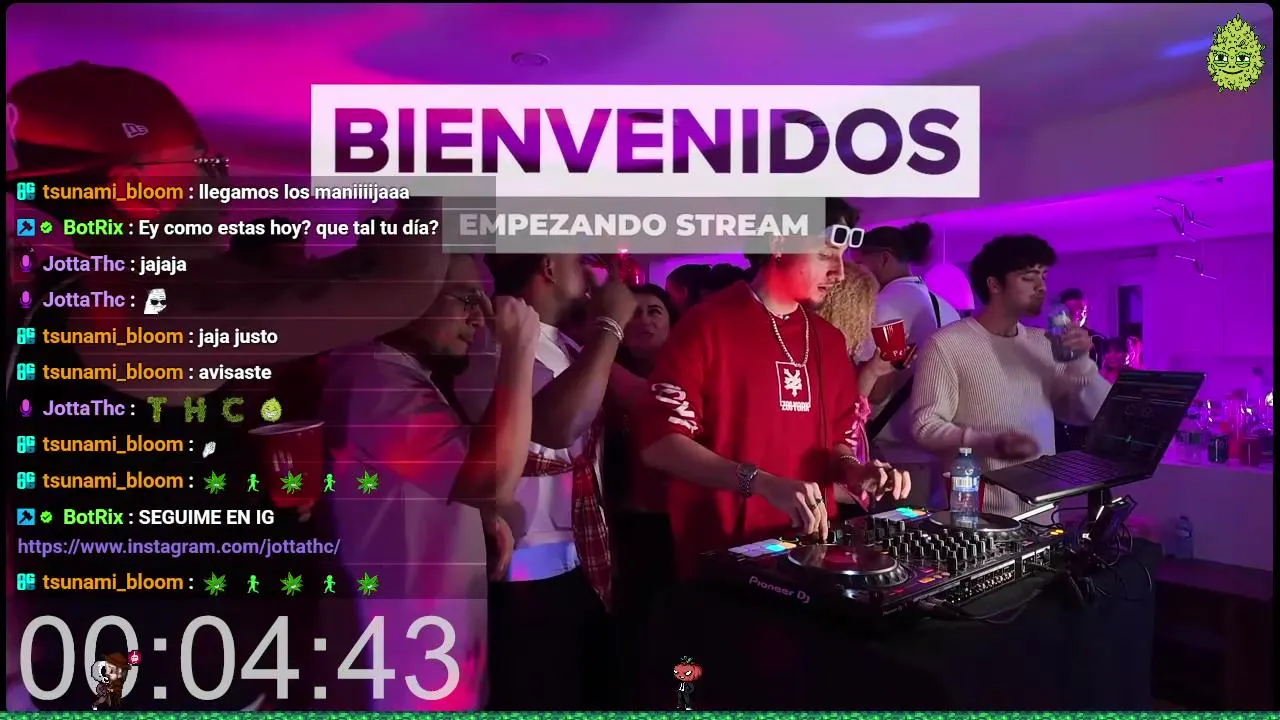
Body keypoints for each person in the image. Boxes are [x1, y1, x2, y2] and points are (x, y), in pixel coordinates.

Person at [6, 62, 448, 711]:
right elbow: (398, 285)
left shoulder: (73, 299)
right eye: (204, 165)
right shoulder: (132, 315)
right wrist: (439, 163)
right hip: (157, 676)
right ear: (136, 191)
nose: (224, 182)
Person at [319, 254, 540, 710]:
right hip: (410, 653)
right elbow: (493, 480)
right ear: (406, 293)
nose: (479, 317)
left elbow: (448, 478)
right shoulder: (375, 377)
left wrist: (478, 512)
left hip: (429, 640)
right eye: (466, 298)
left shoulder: (396, 368)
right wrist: (518, 350)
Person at [635, 229, 912, 578]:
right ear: (780, 245)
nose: (839, 272)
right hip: (723, 557)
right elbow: (659, 445)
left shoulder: (828, 340)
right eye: (825, 254)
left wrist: (856, 471)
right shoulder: (707, 324)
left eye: (842, 257)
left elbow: (836, 443)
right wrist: (761, 482)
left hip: (813, 552)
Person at [456, 253, 636, 709]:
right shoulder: (498, 338)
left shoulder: (565, 343)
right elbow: (560, 425)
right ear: (550, 266)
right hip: (525, 568)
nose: (590, 269)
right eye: (579, 257)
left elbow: (639, 396)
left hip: (577, 556)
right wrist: (610, 325)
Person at [910, 234, 1112, 516]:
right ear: (995, 285)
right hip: (979, 519)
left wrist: (1080, 361)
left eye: (1043, 276)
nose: (1041, 287)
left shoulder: (1043, 343)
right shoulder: (946, 345)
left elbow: (1099, 413)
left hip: (1043, 516)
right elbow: (925, 426)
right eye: (1028, 277)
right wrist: (988, 443)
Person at [601, 283, 680, 707]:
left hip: (674, 523)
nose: (643, 320)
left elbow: (649, 401)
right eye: (633, 312)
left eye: (655, 311)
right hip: (620, 522)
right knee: (630, 631)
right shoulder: (598, 378)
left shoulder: (687, 377)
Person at [851, 222, 961, 509]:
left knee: (892, 534)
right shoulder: (946, 307)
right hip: (943, 450)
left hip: (895, 456)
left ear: (883, 258)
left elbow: (875, 393)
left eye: (859, 263)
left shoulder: (882, 307)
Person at [815, 261, 888, 518]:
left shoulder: (836, 354)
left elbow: (849, 418)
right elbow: (842, 428)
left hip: (839, 484)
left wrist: (873, 371)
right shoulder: (824, 354)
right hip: (821, 490)